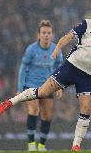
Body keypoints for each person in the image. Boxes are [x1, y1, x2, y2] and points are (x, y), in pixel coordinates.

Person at [0, 0, 91, 151]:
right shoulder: (88, 23)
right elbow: (68, 36)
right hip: (72, 66)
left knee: (86, 109)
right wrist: (57, 49)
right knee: (42, 92)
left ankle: (76, 145)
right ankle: (10, 102)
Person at [17, 20, 63, 151]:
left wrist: (59, 86)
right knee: (34, 110)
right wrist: (20, 88)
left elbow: (60, 67)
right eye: (44, 33)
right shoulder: (31, 50)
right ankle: (31, 144)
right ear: (39, 35)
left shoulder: (56, 49)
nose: (46, 35)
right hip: (31, 85)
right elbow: (22, 69)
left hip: (47, 86)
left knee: (47, 116)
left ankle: (42, 145)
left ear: (52, 35)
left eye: (48, 33)